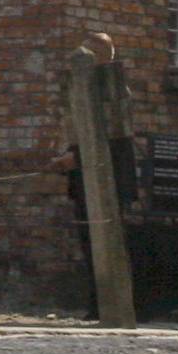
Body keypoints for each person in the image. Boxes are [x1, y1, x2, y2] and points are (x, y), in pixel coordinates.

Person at [49, 34, 139, 318]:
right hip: (86, 179)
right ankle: (96, 304)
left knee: (108, 243)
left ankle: (110, 306)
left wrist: (75, 157)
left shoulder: (112, 91)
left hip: (107, 180)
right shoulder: (86, 89)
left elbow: (111, 141)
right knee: (89, 243)